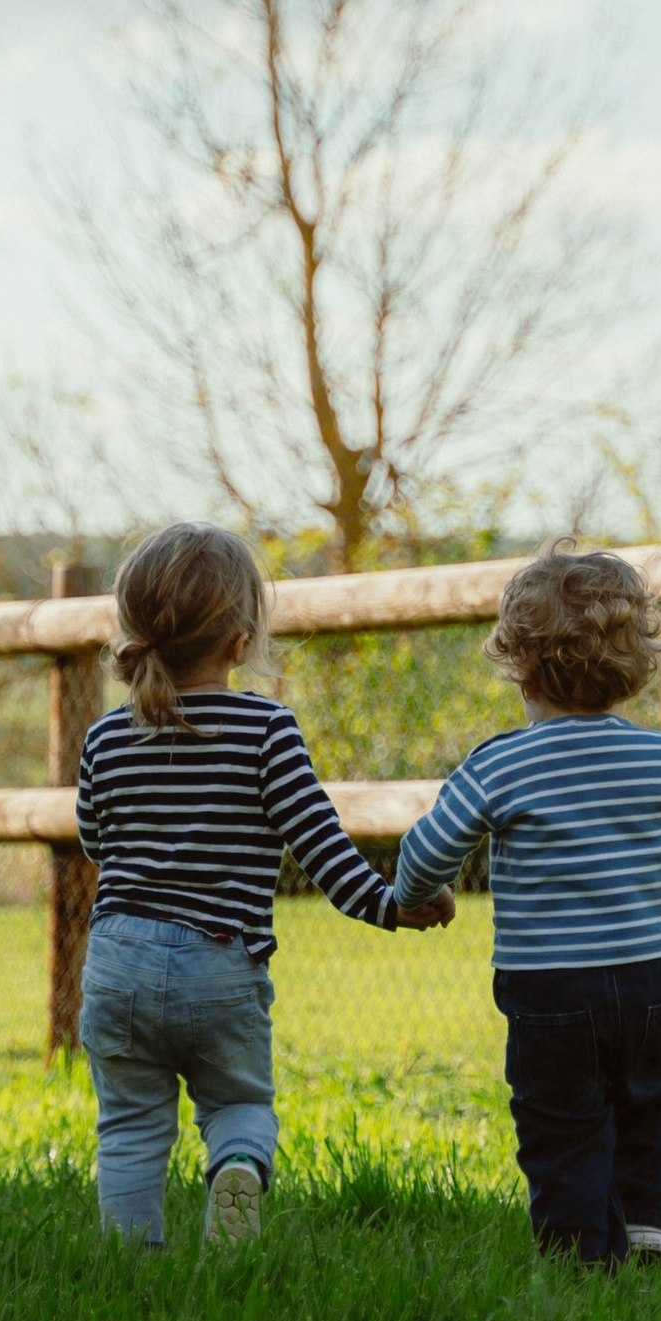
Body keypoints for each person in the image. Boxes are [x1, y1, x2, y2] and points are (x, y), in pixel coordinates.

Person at [392, 543, 661, 1267]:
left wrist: (421, 897)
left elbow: (423, 853)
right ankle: (646, 1229)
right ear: (635, 666)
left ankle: (577, 1254)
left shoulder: (498, 764)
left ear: (520, 663)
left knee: (560, 1121)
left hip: (550, 990)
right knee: (651, 1104)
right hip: (650, 982)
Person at [75, 522, 454, 1251]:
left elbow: (99, 843)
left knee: (127, 1123)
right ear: (240, 639)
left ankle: (132, 1265)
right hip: (221, 962)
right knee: (239, 1101)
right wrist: (394, 905)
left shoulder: (104, 737)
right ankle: (237, 1166)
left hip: (118, 960)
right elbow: (324, 852)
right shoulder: (266, 728)